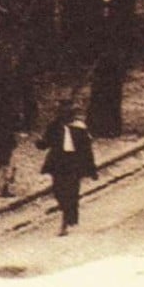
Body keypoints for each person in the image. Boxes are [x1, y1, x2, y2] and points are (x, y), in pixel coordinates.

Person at [35, 100, 98, 236]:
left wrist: (91, 169)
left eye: (67, 113)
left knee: (72, 191)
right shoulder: (54, 127)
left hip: (74, 163)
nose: (64, 116)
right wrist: (39, 143)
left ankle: (67, 220)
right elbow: (46, 143)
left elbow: (87, 150)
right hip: (58, 163)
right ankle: (68, 212)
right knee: (58, 190)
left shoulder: (80, 128)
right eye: (62, 113)